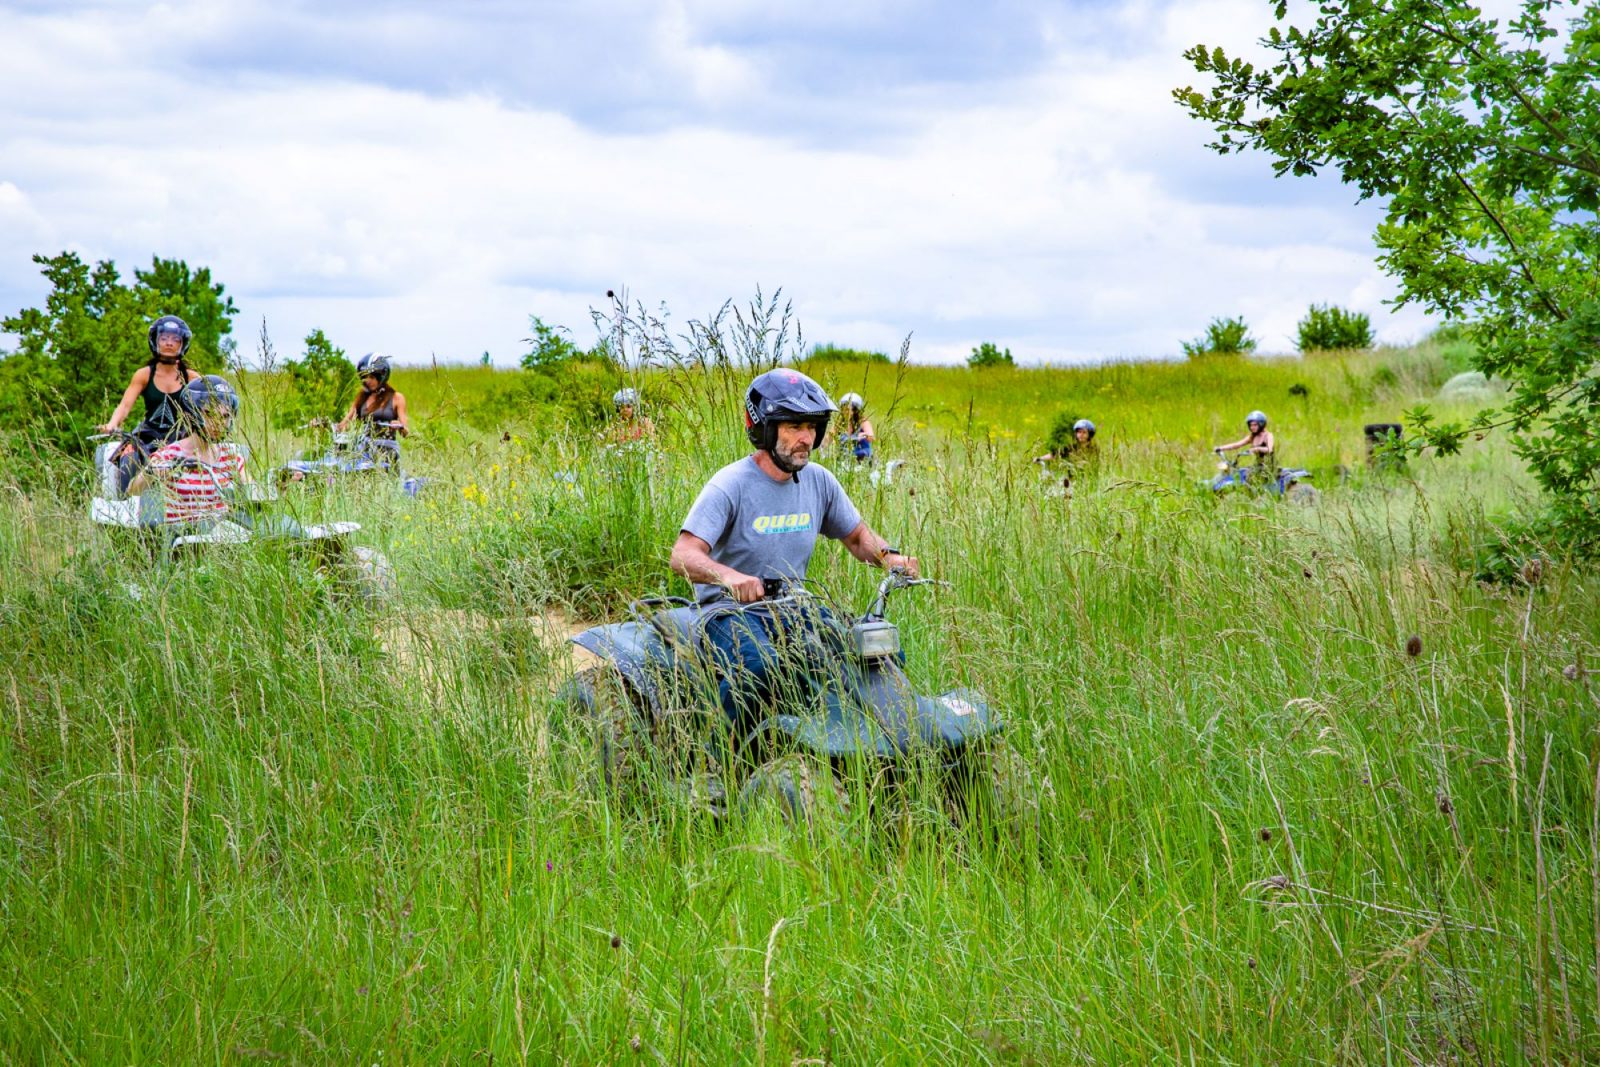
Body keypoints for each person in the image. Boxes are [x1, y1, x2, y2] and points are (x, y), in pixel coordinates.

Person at [668, 369, 918, 729]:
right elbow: (682, 555)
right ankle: (721, 753)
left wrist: (890, 558)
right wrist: (730, 577)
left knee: (878, 653)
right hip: (729, 612)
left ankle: (863, 742)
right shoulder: (730, 484)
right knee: (761, 669)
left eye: (812, 427)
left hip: (794, 606)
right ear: (764, 428)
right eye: (794, 426)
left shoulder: (819, 481)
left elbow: (857, 537)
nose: (807, 438)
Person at [99, 315, 203, 494]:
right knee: (128, 457)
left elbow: (206, 409)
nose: (169, 343)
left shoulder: (192, 378)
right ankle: (126, 501)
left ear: (183, 343)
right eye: (164, 338)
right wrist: (112, 424)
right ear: (155, 341)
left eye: (175, 339)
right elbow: (125, 406)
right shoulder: (144, 374)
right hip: (146, 436)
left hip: (181, 436)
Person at [129, 375, 250, 525]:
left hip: (220, 532)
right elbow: (133, 491)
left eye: (225, 416)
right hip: (182, 534)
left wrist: (273, 488)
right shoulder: (169, 454)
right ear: (192, 414)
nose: (218, 423)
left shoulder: (230, 456)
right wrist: (151, 472)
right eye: (210, 414)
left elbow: (251, 494)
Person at [336, 353, 410, 459]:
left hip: (387, 452)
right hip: (364, 450)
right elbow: (345, 424)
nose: (368, 381)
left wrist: (400, 426)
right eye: (365, 377)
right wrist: (324, 424)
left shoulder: (397, 398)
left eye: (372, 377)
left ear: (381, 376)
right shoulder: (362, 397)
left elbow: (406, 433)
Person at [1213, 410, 1275, 481]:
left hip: (1268, 466)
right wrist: (1220, 448)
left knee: (1246, 477)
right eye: (1251, 425)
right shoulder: (1252, 436)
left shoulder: (1268, 435)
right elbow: (1237, 445)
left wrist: (1257, 449)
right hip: (1257, 465)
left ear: (1261, 424)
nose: (1252, 427)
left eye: (1255, 425)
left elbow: (1269, 450)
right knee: (1240, 473)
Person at [834, 392, 875, 463]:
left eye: (848, 409)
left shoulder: (863, 422)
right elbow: (828, 438)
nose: (845, 412)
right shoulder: (840, 424)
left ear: (856, 411)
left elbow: (871, 437)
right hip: (845, 458)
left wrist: (864, 435)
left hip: (862, 457)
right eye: (843, 409)